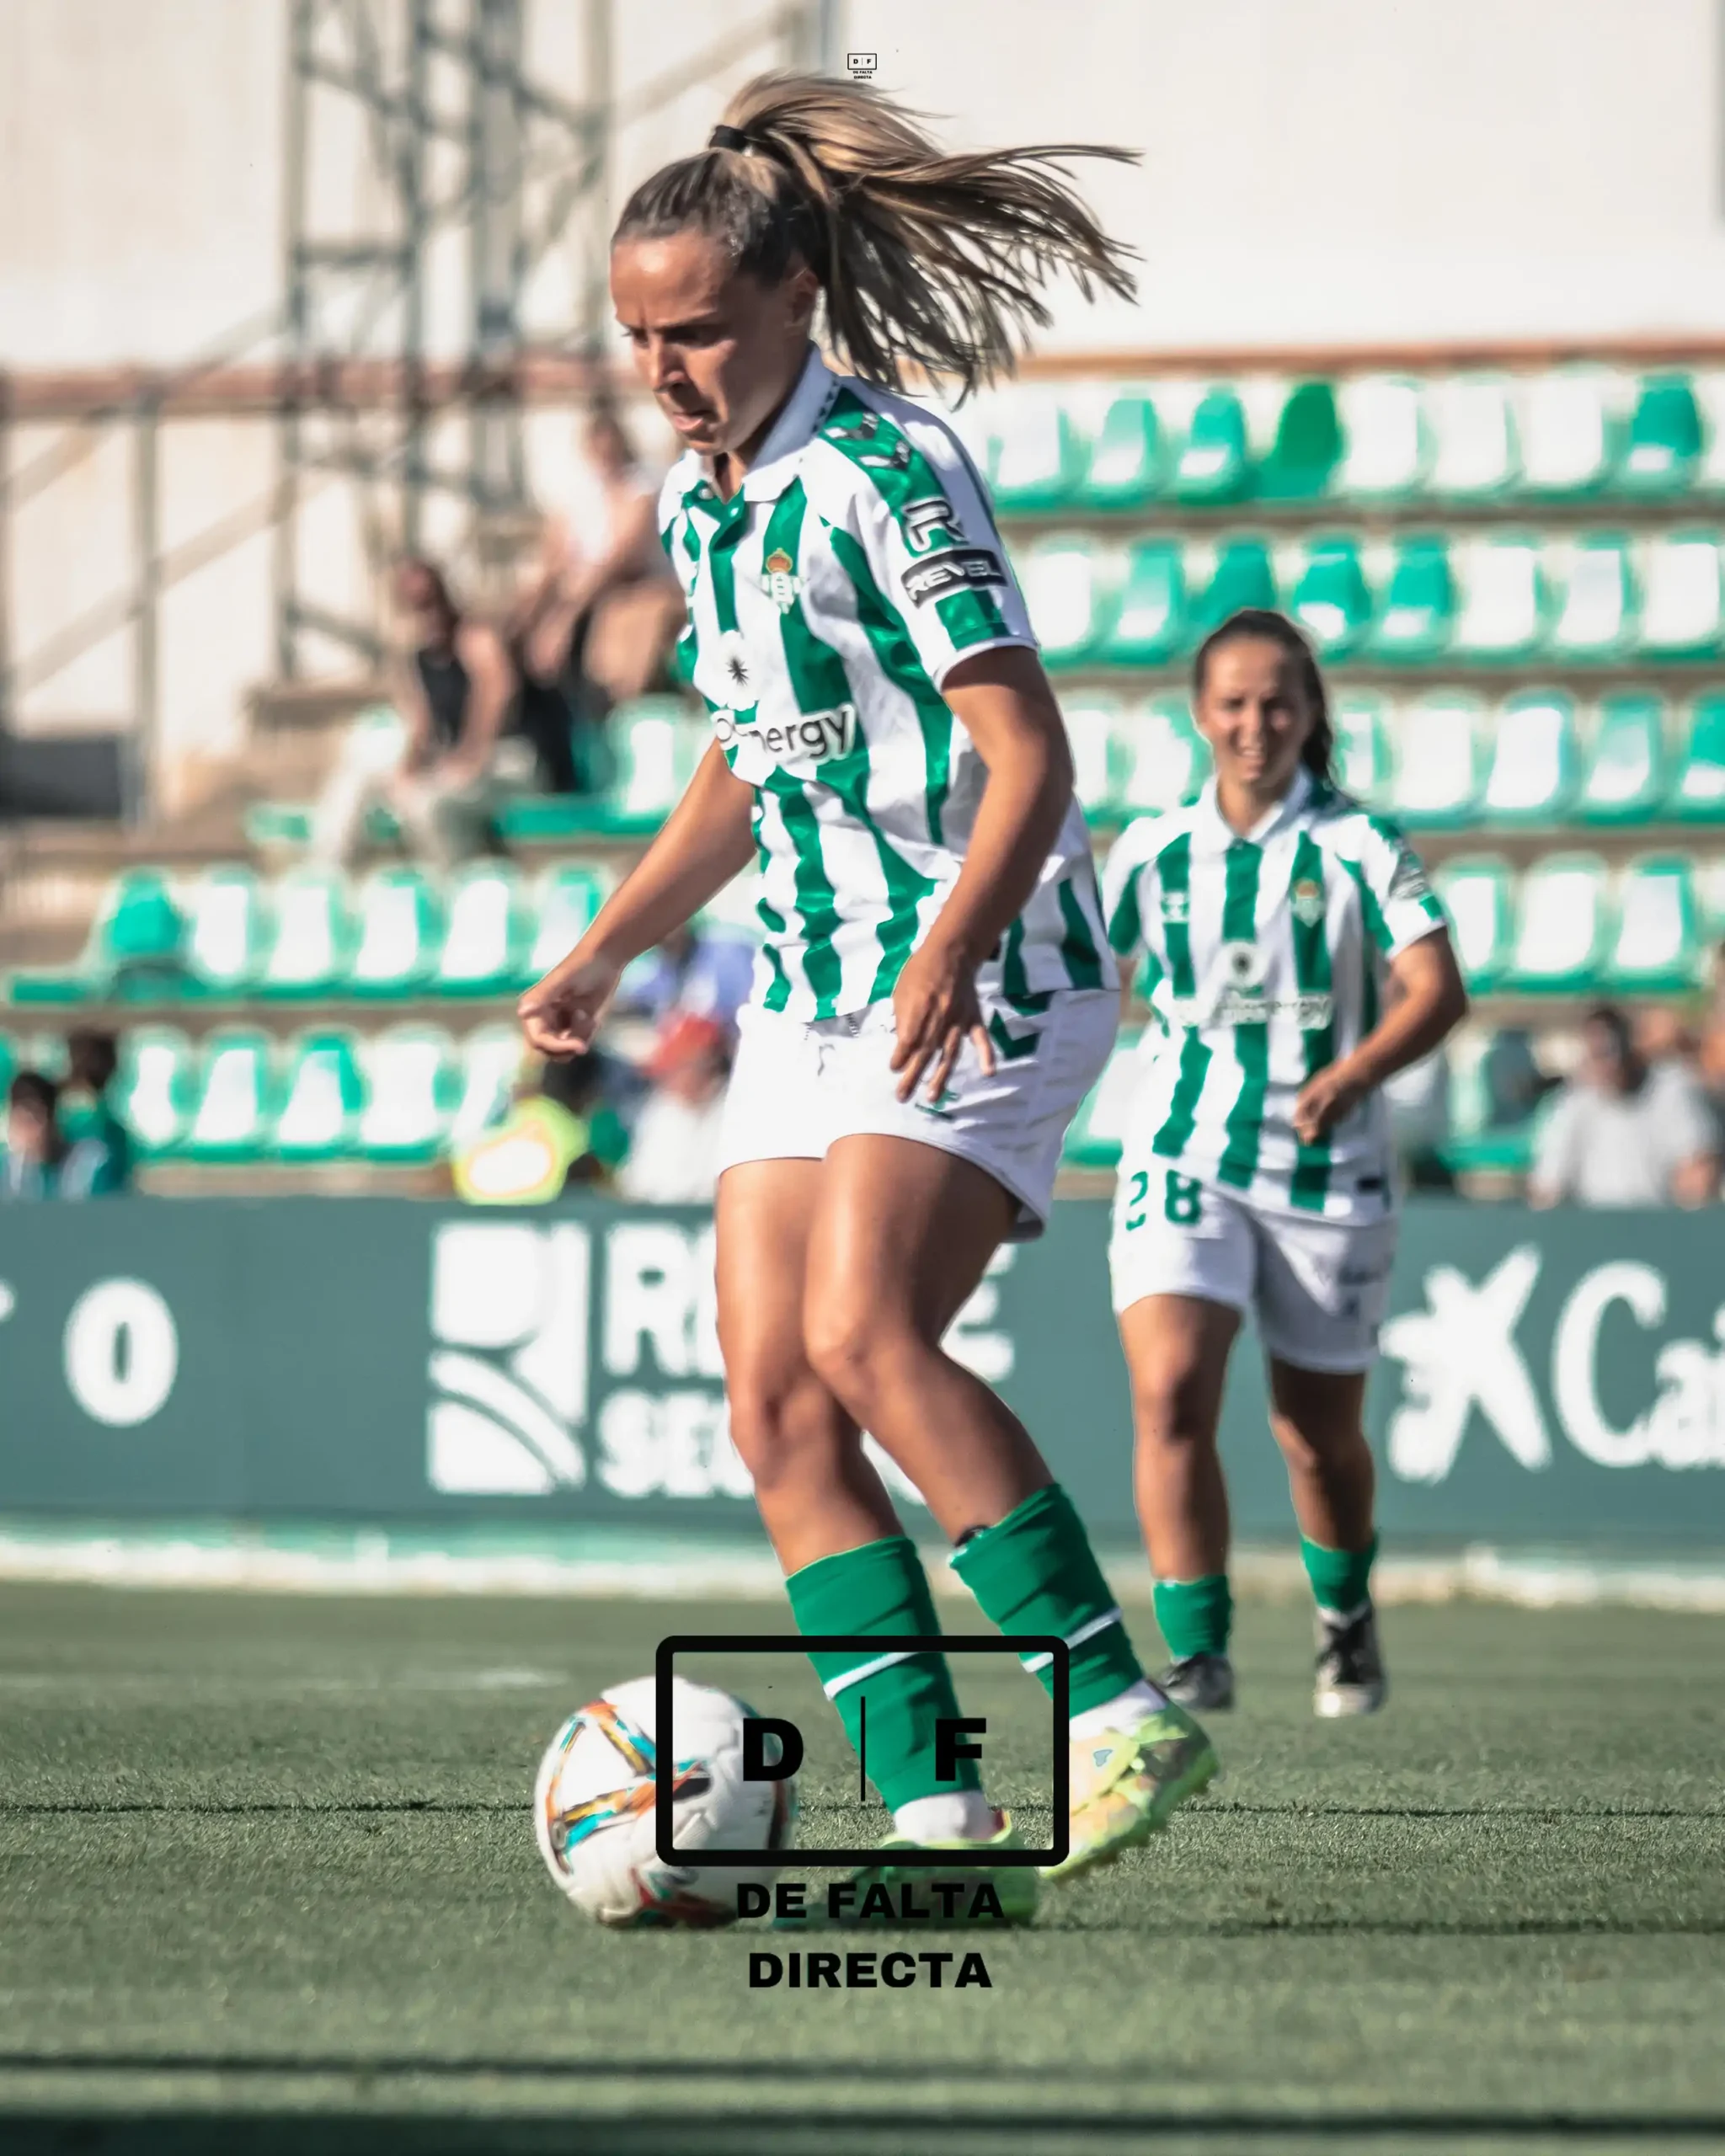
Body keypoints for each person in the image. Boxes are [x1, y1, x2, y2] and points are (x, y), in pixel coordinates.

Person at [520, 72, 1212, 1924]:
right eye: (638, 337)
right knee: (772, 1406)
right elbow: (746, 766)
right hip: (816, 994)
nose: (666, 368)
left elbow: (1026, 752)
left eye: (697, 331)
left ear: (795, 293)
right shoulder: (703, 504)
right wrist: (604, 942)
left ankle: (1114, 1697)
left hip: (979, 967)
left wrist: (949, 941)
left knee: (861, 1335)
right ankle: (934, 1815)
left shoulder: (886, 470)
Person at [1101, 610, 1468, 1719]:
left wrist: (1354, 1074)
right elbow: (1088, 986)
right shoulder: (1151, 850)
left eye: (1278, 702)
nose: (1256, 723)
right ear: (1200, 714)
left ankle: (1344, 1618)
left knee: (1317, 1437)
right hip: (1183, 1145)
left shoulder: (1362, 844)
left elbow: (1439, 990)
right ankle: (1198, 1651)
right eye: (1234, 703)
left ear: (1311, 716)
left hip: (1327, 1165)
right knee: (1168, 1393)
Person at [312, 558, 529, 869]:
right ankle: (328, 872)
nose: (427, 614)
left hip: (507, 761)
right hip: (453, 766)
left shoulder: (474, 639)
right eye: (414, 605)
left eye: (431, 601)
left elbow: (496, 696)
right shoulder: (416, 659)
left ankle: (457, 890)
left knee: (428, 805)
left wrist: (469, 758)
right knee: (356, 781)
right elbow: (421, 725)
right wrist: (407, 769)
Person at [1529, 1003, 1719, 1209]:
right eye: (1597, 1053)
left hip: (1660, 1227)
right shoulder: (1572, 1103)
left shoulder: (1671, 1089)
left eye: (1612, 1049)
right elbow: (1546, 1187)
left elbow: (1699, 1171)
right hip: (1594, 1230)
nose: (1609, 1064)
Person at [616, 1012, 732, 1204]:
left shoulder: (739, 1110)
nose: (667, 1080)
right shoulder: (662, 1110)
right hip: (664, 1225)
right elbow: (637, 1187)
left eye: (677, 1067)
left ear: (708, 1064)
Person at [1, 1070, 126, 1199]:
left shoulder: (90, 1165)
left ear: (53, 1121)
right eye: (23, 1123)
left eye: (36, 1120)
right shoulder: (6, 1172)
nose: (33, 1134)